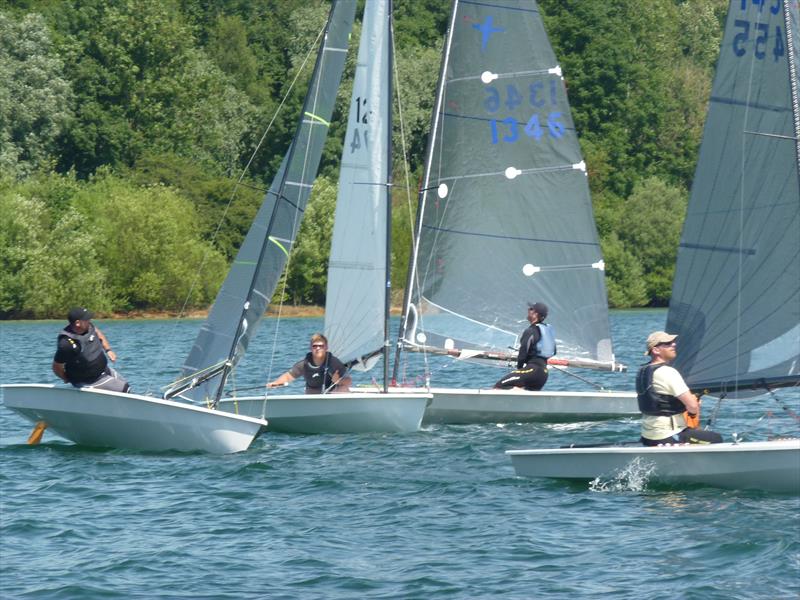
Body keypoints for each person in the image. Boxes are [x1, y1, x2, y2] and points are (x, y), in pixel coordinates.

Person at [636, 331, 722, 446]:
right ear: (656, 350)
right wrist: (693, 408)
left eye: (672, 342)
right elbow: (692, 406)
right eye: (667, 343)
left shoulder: (642, 371)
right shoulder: (667, 372)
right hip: (668, 435)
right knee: (716, 439)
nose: (674, 344)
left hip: (648, 436)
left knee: (696, 434)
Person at [52, 307, 130, 393]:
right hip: (88, 381)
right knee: (125, 389)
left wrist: (108, 350)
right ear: (78, 323)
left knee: (125, 384)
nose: (89, 320)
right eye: (86, 319)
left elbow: (98, 334)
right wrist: (67, 379)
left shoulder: (88, 327)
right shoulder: (66, 344)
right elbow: (56, 367)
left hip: (103, 370)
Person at [494, 302, 556, 391]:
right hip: (543, 374)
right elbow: (552, 351)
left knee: (499, 386)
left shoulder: (530, 331)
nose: (528, 310)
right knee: (526, 392)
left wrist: (519, 369)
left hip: (532, 371)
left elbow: (523, 353)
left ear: (536, 314)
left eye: (531, 309)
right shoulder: (547, 332)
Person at [266, 333, 352, 394]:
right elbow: (288, 376)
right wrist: (276, 383)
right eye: (315, 346)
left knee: (343, 388)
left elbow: (348, 381)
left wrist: (337, 381)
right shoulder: (304, 364)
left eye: (321, 346)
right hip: (313, 393)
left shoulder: (334, 363)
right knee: (310, 392)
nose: (318, 348)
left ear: (326, 347)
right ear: (310, 348)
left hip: (332, 392)